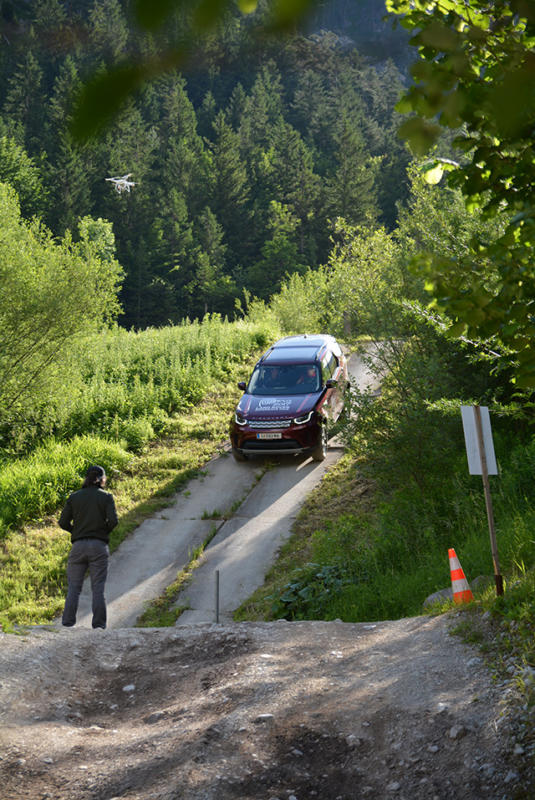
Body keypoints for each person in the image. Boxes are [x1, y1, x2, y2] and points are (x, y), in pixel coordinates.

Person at [59, 465, 118, 629]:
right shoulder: (106, 497)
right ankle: (98, 626)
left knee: (74, 588)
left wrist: (76, 531)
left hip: (78, 546)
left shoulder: (74, 497)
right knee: (98, 588)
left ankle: (67, 624)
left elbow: (63, 522)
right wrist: (101, 532)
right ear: (101, 479)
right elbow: (113, 521)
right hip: (98, 546)